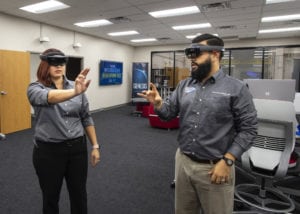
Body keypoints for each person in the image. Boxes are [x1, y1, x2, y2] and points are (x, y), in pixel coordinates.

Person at [138, 34, 258, 214]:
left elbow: (249, 129)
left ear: (215, 54)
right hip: (183, 162)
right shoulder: (184, 85)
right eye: (189, 55)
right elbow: (168, 114)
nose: (192, 60)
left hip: (215, 167)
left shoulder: (236, 88)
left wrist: (228, 160)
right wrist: (158, 104)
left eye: (196, 54)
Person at [27, 48, 100, 214]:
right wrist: (74, 92)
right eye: (54, 63)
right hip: (49, 152)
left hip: (77, 149)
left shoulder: (77, 86)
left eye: (61, 63)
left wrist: (95, 146)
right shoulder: (35, 88)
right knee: (51, 197)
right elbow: (50, 97)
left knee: (79, 194)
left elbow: (86, 117)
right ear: (45, 66)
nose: (59, 66)